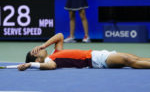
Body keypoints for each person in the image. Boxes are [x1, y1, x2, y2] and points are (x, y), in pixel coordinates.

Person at [18, 33, 150, 71]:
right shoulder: (49, 61)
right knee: (130, 61)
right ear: (37, 60)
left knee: (135, 58)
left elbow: (59, 36)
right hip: (96, 59)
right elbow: (50, 66)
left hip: (97, 54)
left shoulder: (55, 53)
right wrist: (30, 65)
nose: (39, 50)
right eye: (36, 51)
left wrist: (43, 45)